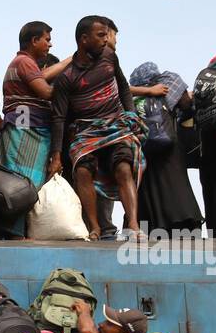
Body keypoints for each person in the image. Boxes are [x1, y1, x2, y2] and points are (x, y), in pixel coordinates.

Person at [47, 16, 144, 241]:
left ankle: (132, 224)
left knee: (123, 168)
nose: (105, 40)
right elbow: (59, 117)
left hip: (116, 127)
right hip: (85, 132)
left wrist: (131, 114)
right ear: (84, 39)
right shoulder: (66, 78)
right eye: (101, 35)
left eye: (106, 35)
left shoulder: (110, 57)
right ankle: (94, 227)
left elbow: (123, 87)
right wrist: (56, 156)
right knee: (82, 171)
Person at [0, 21, 69, 237]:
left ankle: (20, 232)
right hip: (25, 129)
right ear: (34, 41)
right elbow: (46, 92)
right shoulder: (24, 61)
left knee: (25, 184)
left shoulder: (26, 63)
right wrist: (70, 74)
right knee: (22, 185)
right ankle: (16, 234)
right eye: (46, 39)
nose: (50, 44)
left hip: (29, 128)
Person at [128, 61, 203, 235]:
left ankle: (153, 226)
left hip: (145, 150)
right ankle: (185, 225)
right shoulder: (168, 82)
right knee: (177, 187)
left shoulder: (133, 97)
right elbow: (185, 103)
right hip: (169, 148)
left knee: (151, 188)